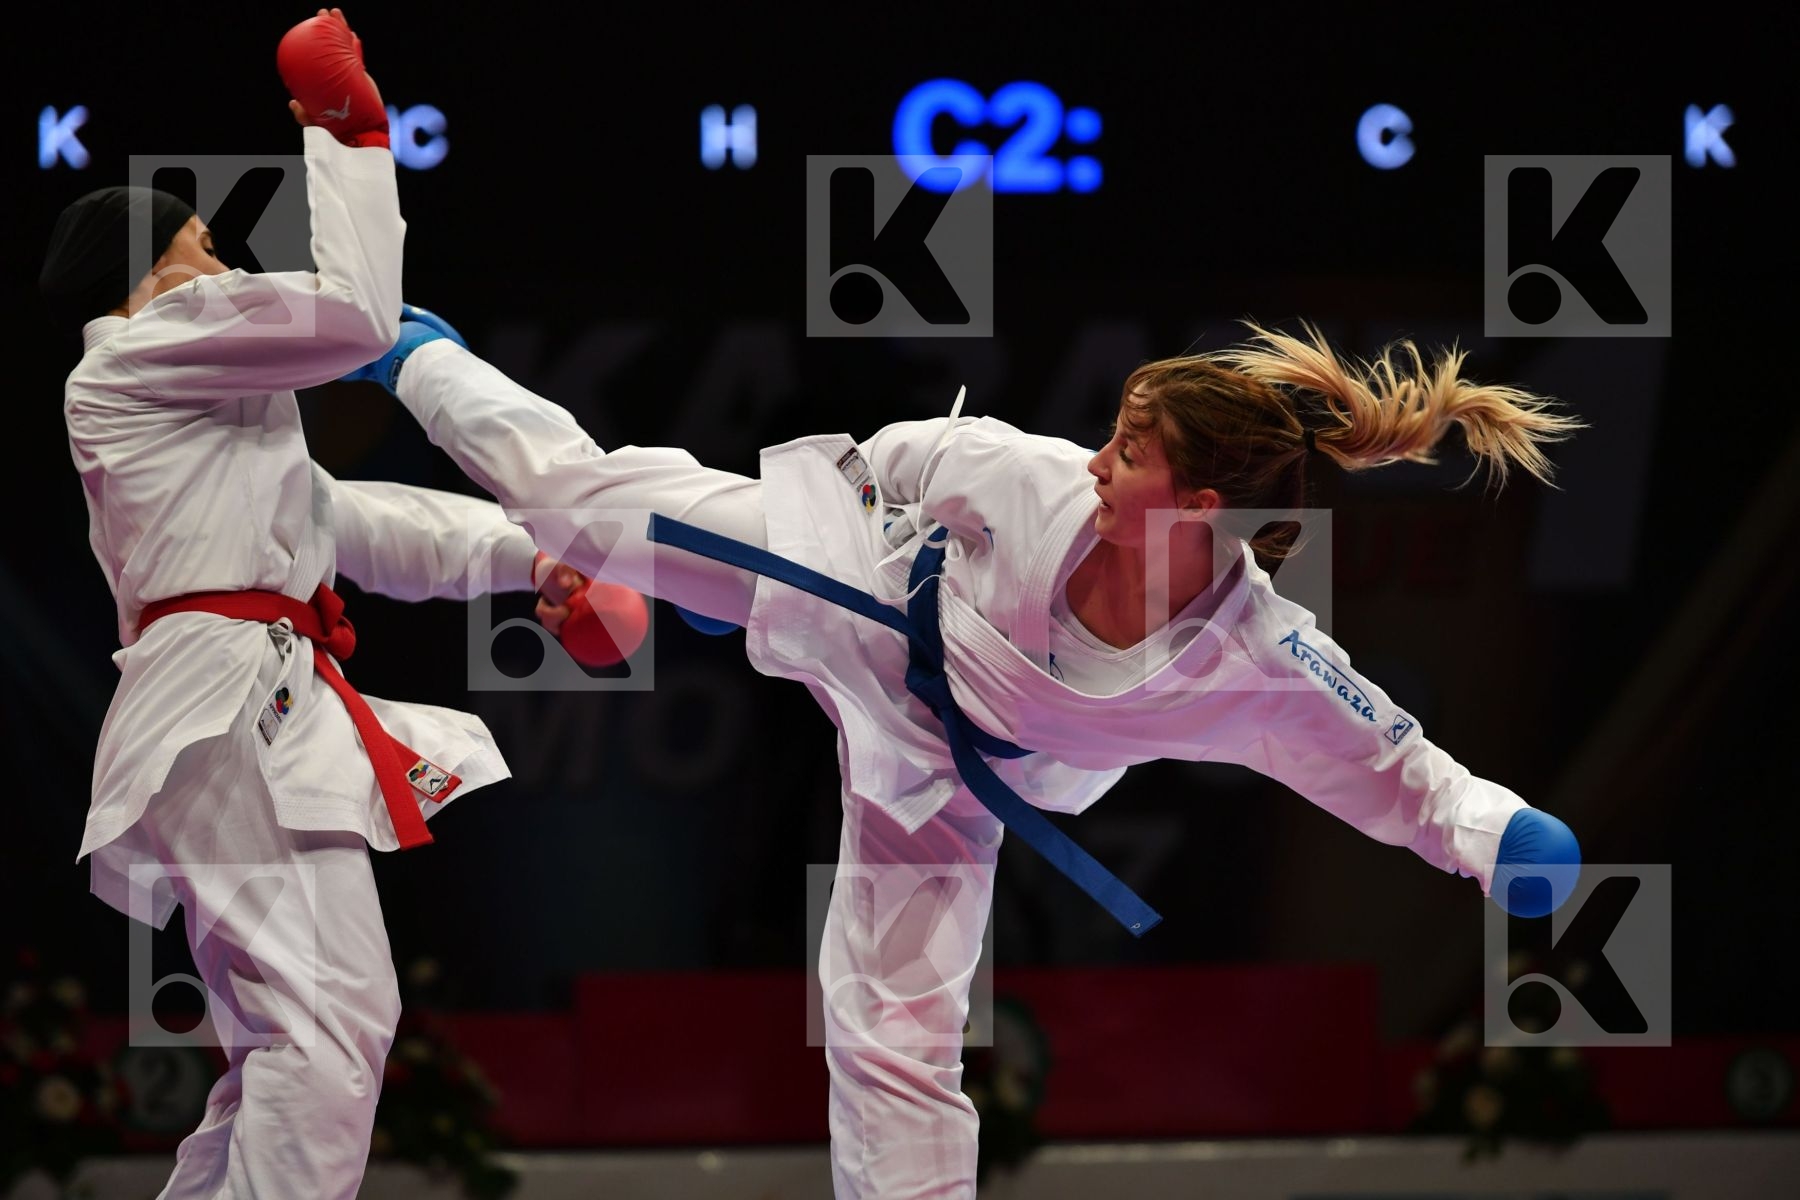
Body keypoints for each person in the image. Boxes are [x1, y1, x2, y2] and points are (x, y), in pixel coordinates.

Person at [367, 312, 1585, 1197]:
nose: (1098, 458)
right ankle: (418, 350)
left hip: (950, 772)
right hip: (868, 591)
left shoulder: (1256, 658)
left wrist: (1503, 845)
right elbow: (882, 468)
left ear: (1201, 505)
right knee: (594, 507)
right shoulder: (1023, 473)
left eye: (1129, 449)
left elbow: (1397, 765)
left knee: (895, 1023)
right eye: (1111, 435)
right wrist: (768, 561)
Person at [38, 11, 588, 1197]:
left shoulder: (196, 415)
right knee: (333, 1019)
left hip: (230, 706)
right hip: (229, 707)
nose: (226, 270)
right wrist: (350, 134)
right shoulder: (141, 346)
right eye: (200, 246)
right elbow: (356, 317)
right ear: (141, 278)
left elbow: (352, 524)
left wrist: (533, 556)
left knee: (285, 1046)